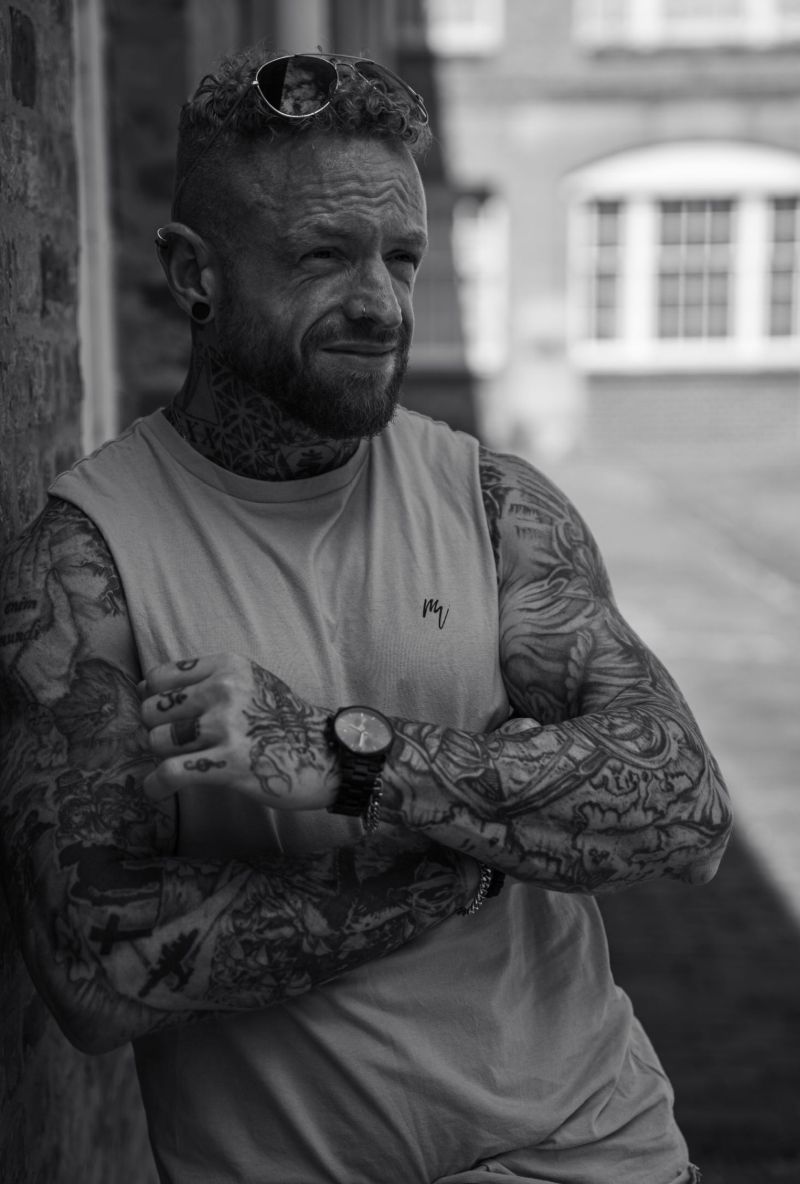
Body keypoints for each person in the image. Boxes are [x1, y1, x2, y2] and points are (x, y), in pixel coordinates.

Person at [0, 48, 731, 1184]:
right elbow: (99, 966)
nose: (381, 304)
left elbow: (683, 810)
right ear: (194, 274)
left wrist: (354, 760)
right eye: (323, 256)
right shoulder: (86, 564)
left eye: (402, 257)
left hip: (587, 1148)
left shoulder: (494, 505)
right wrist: (474, 857)